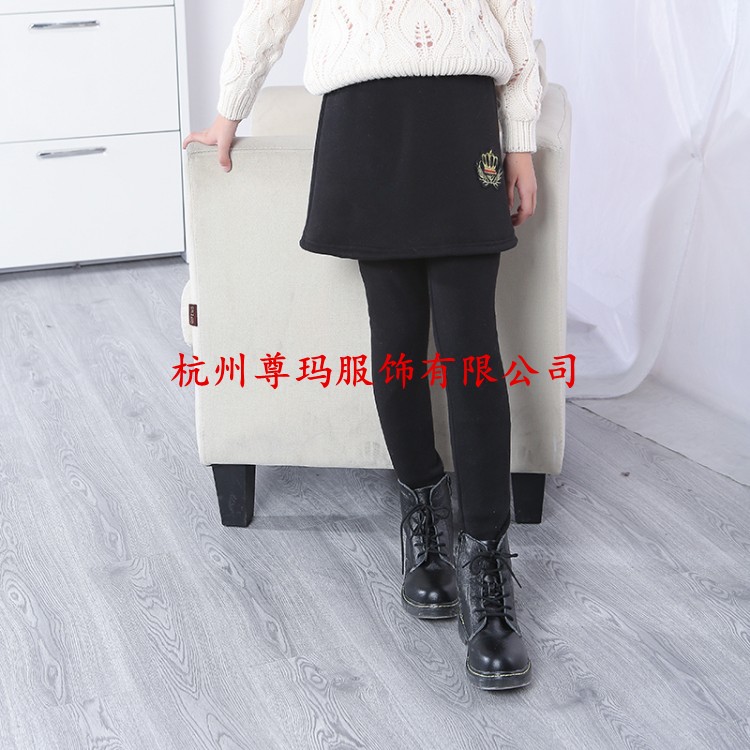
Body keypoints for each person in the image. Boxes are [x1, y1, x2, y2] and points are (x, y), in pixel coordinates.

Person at [183, 0, 543, 691]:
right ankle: (422, 511)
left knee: (471, 347)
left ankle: (487, 564)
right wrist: (230, 110)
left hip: (462, 112)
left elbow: (513, 13)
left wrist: (520, 142)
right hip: (365, 118)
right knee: (397, 334)